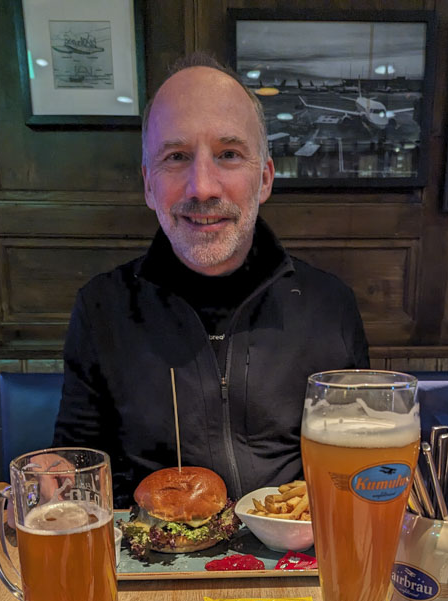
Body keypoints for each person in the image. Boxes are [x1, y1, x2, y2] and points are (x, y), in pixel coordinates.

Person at [53, 53, 369, 506]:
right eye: (176, 156)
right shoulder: (101, 306)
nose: (202, 187)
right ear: (148, 184)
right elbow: (77, 460)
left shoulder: (331, 304)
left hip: (293, 562)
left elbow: (355, 465)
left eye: (228, 154)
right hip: (149, 563)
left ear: (264, 178)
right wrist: (57, 472)